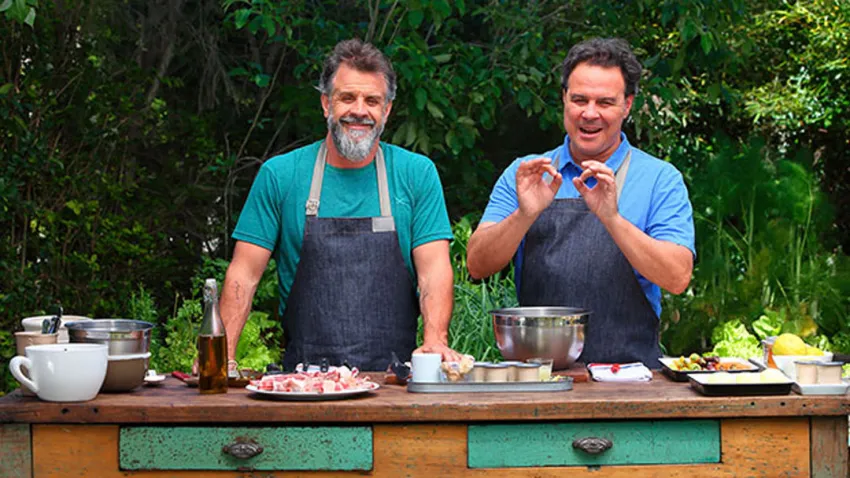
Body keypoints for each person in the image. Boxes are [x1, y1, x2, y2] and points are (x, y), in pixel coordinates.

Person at [221, 38, 462, 372]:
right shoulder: (281, 175)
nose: (359, 110)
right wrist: (221, 355)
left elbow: (434, 271)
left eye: (372, 100)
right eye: (347, 97)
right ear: (325, 104)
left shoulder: (416, 174)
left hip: (393, 386)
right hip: (302, 386)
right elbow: (244, 274)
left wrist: (436, 339)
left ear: (387, 110)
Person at [466, 38, 695, 369]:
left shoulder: (660, 179)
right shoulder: (527, 174)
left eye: (605, 102)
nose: (589, 113)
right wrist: (524, 214)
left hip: (632, 382)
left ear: (627, 105)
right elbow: (477, 264)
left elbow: (677, 277)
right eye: (579, 100)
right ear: (563, 99)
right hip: (540, 377)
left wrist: (612, 218)